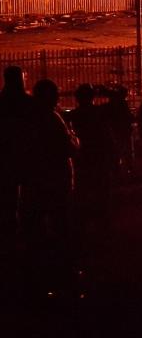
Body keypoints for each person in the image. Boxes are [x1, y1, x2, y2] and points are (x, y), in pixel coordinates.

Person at [20, 79, 79, 288]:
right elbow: (68, 147)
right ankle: (62, 267)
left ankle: (36, 266)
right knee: (60, 222)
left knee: (35, 223)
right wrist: (73, 138)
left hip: (35, 178)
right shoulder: (53, 119)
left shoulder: (27, 119)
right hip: (55, 178)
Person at [67, 84, 114, 231]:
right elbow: (107, 135)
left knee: (83, 190)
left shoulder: (74, 115)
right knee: (102, 190)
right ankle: (103, 222)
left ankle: (83, 223)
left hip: (83, 156)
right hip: (100, 156)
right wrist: (107, 91)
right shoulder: (100, 113)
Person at [0, 66, 35, 257]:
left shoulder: (2, 102)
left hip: (7, 159)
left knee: (8, 199)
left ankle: (10, 236)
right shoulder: (28, 103)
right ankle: (25, 235)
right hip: (25, 158)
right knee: (28, 198)